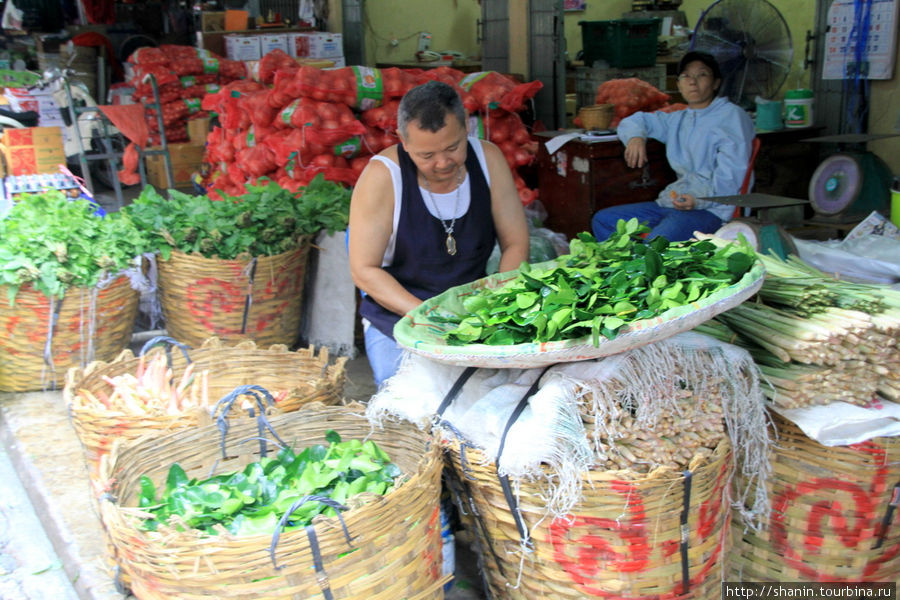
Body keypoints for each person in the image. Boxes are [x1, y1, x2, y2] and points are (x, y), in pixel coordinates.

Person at [348, 81, 530, 388]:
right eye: (426, 155)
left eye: (453, 147)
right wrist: (427, 317)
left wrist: (499, 302)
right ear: (403, 141)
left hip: (474, 311)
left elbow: (515, 242)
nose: (443, 163)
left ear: (466, 129)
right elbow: (364, 270)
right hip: (401, 314)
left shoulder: (488, 160)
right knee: (410, 398)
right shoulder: (382, 177)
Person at [591, 51, 755, 242]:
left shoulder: (731, 117)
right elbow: (636, 120)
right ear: (678, 84)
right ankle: (629, 268)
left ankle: (645, 266)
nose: (693, 82)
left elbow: (732, 176)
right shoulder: (678, 119)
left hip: (714, 209)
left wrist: (699, 199)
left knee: (655, 243)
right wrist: (635, 137)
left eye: (702, 75)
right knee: (604, 220)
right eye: (686, 76)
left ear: (716, 82)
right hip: (676, 203)